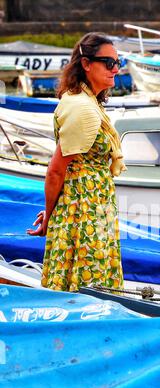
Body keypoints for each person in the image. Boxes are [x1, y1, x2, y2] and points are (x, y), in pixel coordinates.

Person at [27, 32, 127, 292]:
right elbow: (56, 170)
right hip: (84, 209)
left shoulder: (87, 102)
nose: (116, 69)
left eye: (118, 62)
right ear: (85, 64)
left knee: (84, 274)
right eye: (109, 63)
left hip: (88, 203)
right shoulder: (83, 108)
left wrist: (58, 209)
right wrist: (50, 215)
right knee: (87, 278)